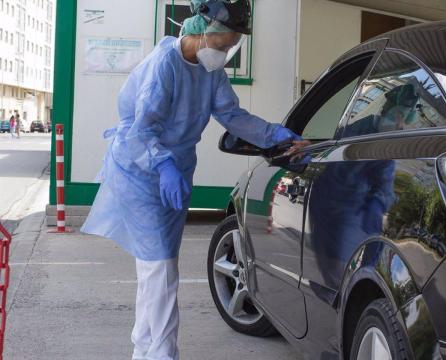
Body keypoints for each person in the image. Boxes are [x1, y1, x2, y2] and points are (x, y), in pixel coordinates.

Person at [80, 1, 305, 359]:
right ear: (202, 32)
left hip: (175, 171)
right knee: (160, 268)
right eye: (221, 45)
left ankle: (143, 350)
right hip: (141, 171)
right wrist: (163, 164)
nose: (224, 53)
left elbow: (232, 114)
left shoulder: (210, 71)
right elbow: (141, 131)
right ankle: (163, 354)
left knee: (154, 267)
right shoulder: (163, 66)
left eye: (230, 47)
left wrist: (274, 135)